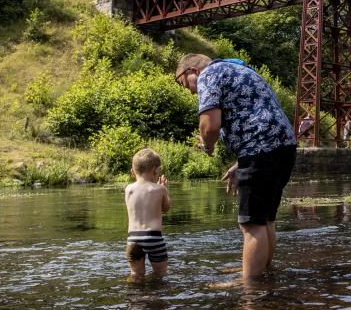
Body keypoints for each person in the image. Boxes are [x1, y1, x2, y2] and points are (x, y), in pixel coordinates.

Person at [175, 53, 298, 282]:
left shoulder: (208, 74)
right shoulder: (241, 70)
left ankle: (248, 284)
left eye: (183, 83)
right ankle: (261, 270)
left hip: (260, 149)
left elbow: (210, 126)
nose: (190, 92)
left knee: (251, 225)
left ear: (191, 70)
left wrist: (208, 146)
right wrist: (240, 164)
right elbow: (257, 118)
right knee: (266, 219)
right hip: (283, 148)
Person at [125, 148, 171, 282]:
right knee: (160, 274)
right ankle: (155, 297)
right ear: (155, 170)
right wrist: (165, 190)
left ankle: (135, 298)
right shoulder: (159, 189)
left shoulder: (128, 189)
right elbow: (166, 208)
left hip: (133, 239)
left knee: (136, 275)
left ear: (132, 172)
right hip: (153, 238)